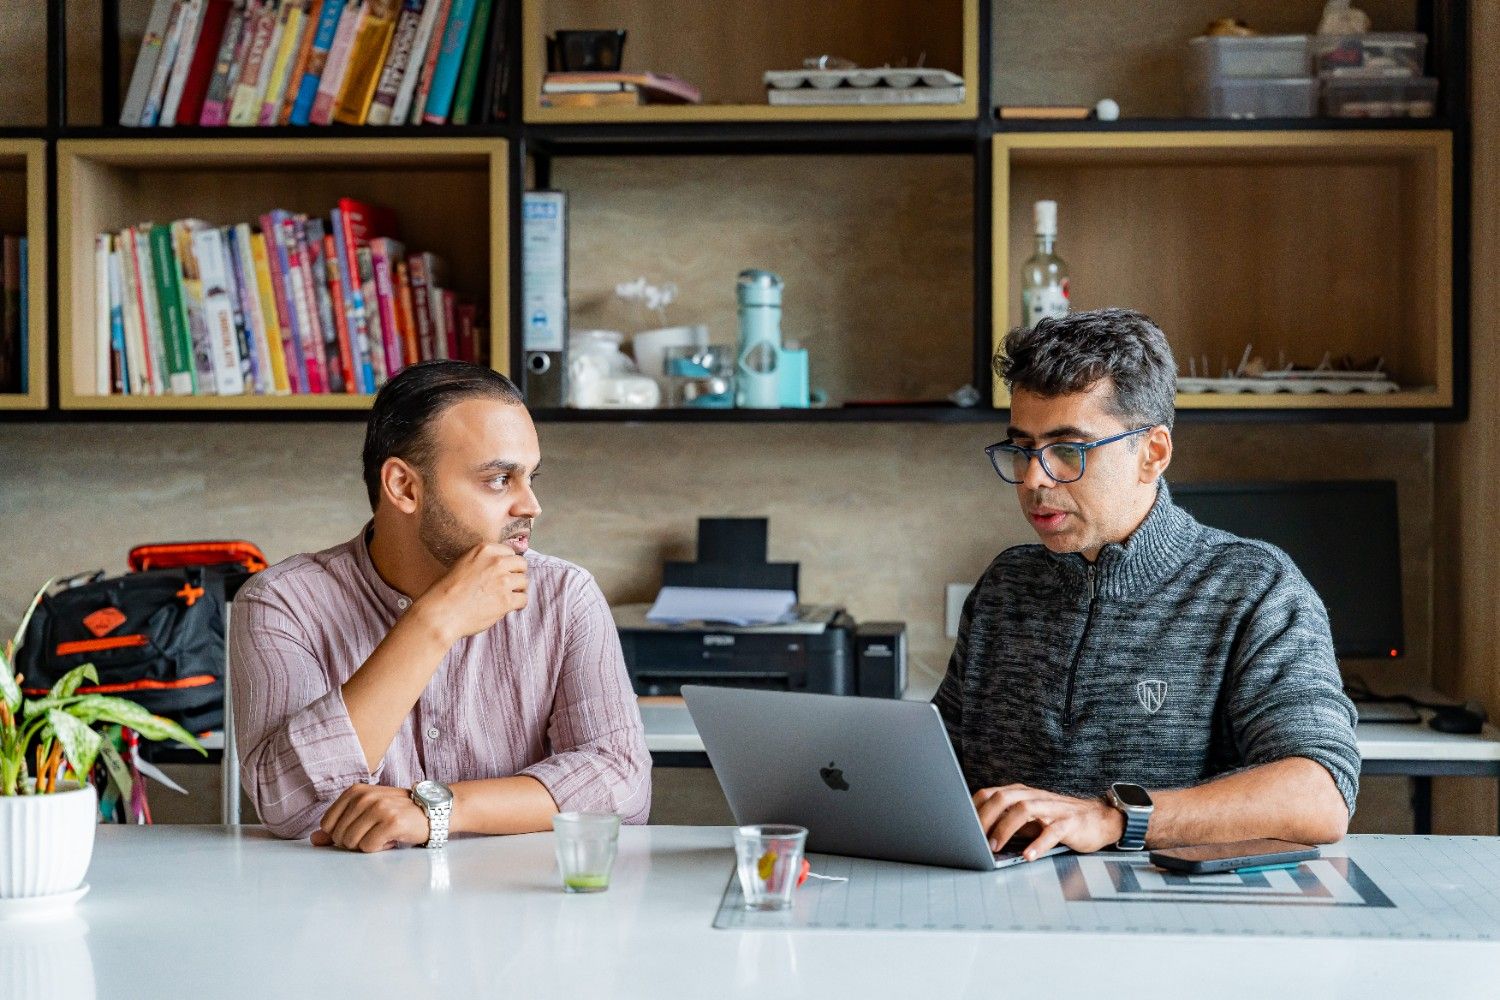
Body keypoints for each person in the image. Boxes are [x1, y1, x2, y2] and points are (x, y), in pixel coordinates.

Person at [936, 308, 1358, 861]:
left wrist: (1116, 816)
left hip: (1169, 909)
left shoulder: (1255, 589)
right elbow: (933, 768)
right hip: (999, 902)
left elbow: (1319, 796)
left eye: (1068, 450)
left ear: (1152, 453)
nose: (1035, 479)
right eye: (1022, 450)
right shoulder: (1005, 587)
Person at [230, 361, 650, 851]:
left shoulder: (564, 596)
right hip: (346, 896)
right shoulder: (282, 602)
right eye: (500, 479)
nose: (531, 505)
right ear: (404, 487)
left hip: (516, 894)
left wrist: (437, 809)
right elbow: (287, 803)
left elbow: (622, 784)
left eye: (530, 477)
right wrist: (435, 621)